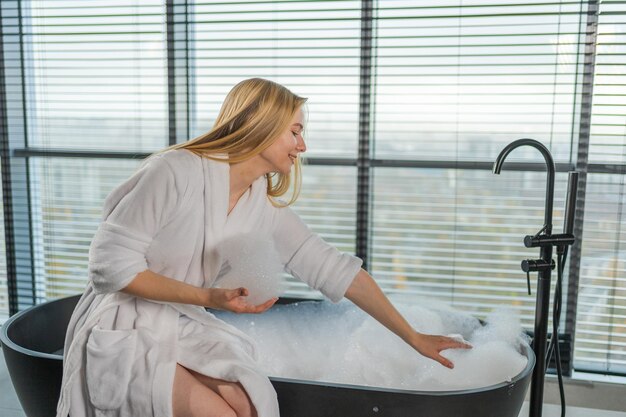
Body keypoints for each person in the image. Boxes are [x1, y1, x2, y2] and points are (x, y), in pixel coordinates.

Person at [56, 78, 471, 417]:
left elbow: (336, 270)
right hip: (123, 325)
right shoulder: (175, 171)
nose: (302, 146)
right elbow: (109, 268)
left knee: (251, 405)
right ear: (260, 124)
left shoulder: (261, 207)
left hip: (180, 324)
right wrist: (208, 296)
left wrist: (413, 337)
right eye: (295, 131)